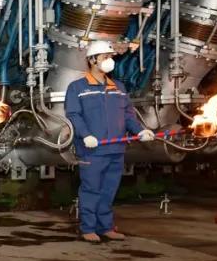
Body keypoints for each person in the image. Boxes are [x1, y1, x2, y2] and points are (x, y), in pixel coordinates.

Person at [65, 41, 155, 243]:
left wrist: (140, 131)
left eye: (110, 57)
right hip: (92, 150)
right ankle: (88, 228)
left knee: (109, 190)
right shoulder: (77, 87)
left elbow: (128, 116)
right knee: (91, 189)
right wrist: (85, 135)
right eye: (105, 57)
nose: (110, 61)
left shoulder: (119, 88)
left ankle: (105, 227)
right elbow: (73, 115)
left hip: (116, 149)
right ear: (92, 60)